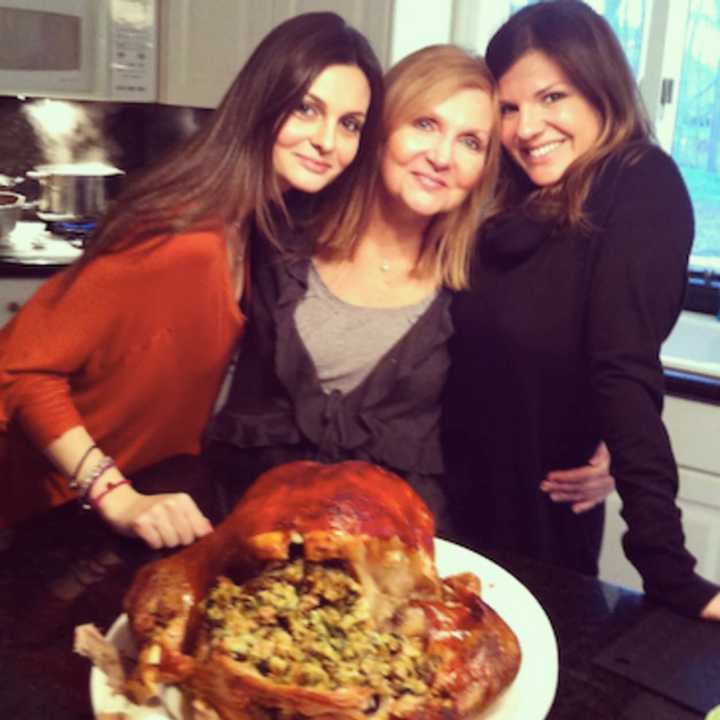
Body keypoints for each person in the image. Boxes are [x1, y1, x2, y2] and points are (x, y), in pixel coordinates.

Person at [0, 12, 383, 550]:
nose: (327, 140)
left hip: (110, 506)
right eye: (306, 109)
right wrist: (116, 495)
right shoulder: (181, 237)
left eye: (350, 125)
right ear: (262, 103)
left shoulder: (248, 228)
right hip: (37, 515)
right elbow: (20, 369)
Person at [442, 0, 720, 619]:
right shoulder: (505, 200)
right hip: (445, 498)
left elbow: (623, 367)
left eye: (552, 97)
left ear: (601, 89)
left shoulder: (640, 181)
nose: (526, 127)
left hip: (539, 519)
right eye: (509, 108)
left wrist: (668, 569)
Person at [206, 44, 500, 537]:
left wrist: (596, 443)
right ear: (381, 129)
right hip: (244, 540)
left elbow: (539, 378)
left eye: (471, 142)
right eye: (425, 124)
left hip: (388, 563)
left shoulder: (479, 288)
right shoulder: (276, 233)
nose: (443, 157)